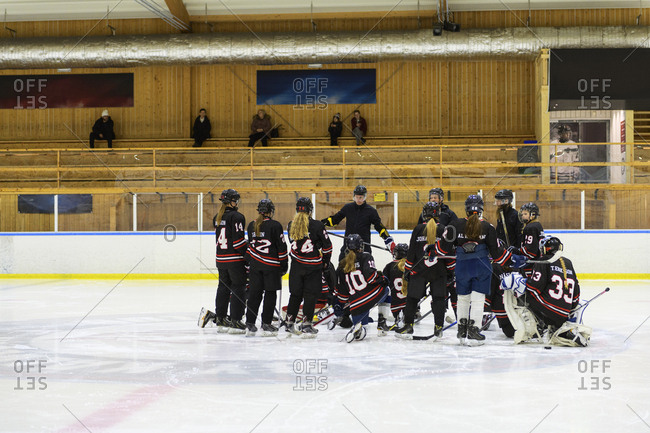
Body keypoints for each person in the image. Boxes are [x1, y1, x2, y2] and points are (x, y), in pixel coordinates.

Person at [434, 195, 512, 346]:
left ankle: (461, 329)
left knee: (462, 297)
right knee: (478, 298)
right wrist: (512, 259)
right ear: (481, 209)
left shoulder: (455, 225)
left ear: (466, 208)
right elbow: (497, 255)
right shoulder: (488, 227)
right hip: (481, 266)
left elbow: (442, 250)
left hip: (462, 266)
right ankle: (474, 330)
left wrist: (432, 249)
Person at [500, 236, 590, 346]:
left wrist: (519, 282)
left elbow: (534, 287)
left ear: (544, 249)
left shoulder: (543, 261)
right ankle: (560, 330)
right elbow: (575, 297)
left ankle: (532, 328)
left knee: (523, 292)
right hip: (564, 315)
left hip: (547, 312)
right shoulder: (568, 263)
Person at [394, 202, 449, 340]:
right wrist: (450, 272)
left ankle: (408, 325)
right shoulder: (443, 229)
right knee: (439, 299)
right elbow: (448, 252)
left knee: (412, 299)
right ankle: (438, 327)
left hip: (419, 270)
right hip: (438, 270)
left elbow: (411, 252)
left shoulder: (418, 229)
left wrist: (407, 271)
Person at [198, 189, 248, 333]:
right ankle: (236, 320)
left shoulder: (217, 217)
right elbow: (238, 242)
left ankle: (220, 318)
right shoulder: (237, 216)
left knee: (223, 288)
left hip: (221, 259)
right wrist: (248, 255)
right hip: (234, 260)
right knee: (238, 288)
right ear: (232, 201)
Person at [285, 197, 333, 337]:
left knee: (295, 295)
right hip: (313, 267)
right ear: (310, 210)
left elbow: (295, 241)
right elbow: (328, 247)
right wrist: (325, 261)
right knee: (310, 296)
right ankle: (306, 325)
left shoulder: (290, 224)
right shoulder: (317, 225)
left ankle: (289, 323)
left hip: (296, 266)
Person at [244, 199, 288, 337]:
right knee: (270, 294)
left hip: (255, 266)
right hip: (271, 267)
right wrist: (284, 264)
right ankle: (266, 323)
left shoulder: (252, 225)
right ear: (270, 211)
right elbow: (281, 247)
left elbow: (250, 246)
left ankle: (250, 322)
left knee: (254, 295)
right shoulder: (275, 225)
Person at [334, 234, 390, 342]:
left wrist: (342, 305)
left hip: (355, 306)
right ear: (360, 245)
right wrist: (382, 278)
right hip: (368, 298)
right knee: (387, 289)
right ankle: (382, 324)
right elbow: (371, 278)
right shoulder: (366, 256)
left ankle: (359, 327)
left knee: (361, 330)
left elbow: (342, 295)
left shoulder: (341, 264)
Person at [322, 185, 395, 261]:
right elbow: (335, 219)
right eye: (357, 197)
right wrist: (321, 223)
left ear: (365, 197)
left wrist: (388, 239)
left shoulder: (371, 211)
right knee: (341, 268)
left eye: (361, 197)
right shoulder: (348, 208)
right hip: (348, 246)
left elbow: (379, 226)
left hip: (364, 246)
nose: (358, 200)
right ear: (354, 196)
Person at [511, 202, 544, 277]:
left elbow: (530, 251)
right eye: (522, 214)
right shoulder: (538, 225)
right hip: (537, 263)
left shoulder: (530, 227)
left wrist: (517, 251)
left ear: (532, 215)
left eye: (525, 214)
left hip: (530, 264)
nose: (522, 216)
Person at [382, 243, 408, 329]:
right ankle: (410, 315)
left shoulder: (389, 266)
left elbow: (383, 283)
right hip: (409, 304)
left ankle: (398, 317)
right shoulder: (411, 265)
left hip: (394, 304)